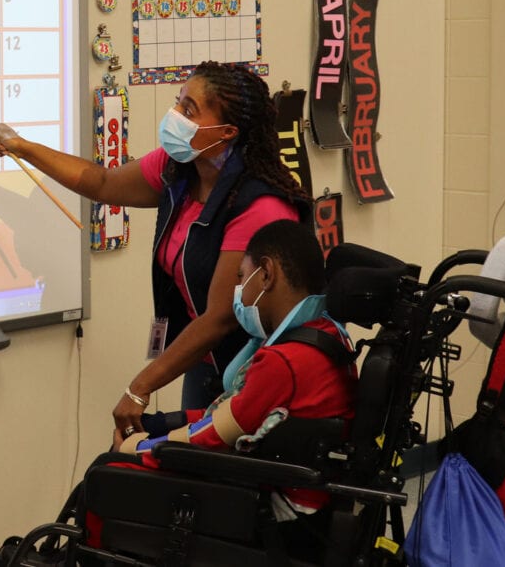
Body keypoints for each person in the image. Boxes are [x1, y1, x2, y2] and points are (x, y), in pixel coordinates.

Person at [0, 61, 311, 430]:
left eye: (189, 110)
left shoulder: (257, 205)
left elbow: (219, 317)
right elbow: (102, 182)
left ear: (228, 131)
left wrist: (140, 388)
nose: (175, 116)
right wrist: (21, 147)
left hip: (256, 370)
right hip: (206, 365)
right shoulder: (180, 170)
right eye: (178, 102)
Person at [87, 219, 356, 559]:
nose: (239, 291)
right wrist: (164, 423)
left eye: (242, 277)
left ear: (267, 274)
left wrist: (137, 446)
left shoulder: (285, 361)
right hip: (302, 492)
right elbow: (237, 414)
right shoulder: (330, 336)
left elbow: (216, 435)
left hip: (276, 509)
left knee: (106, 474)